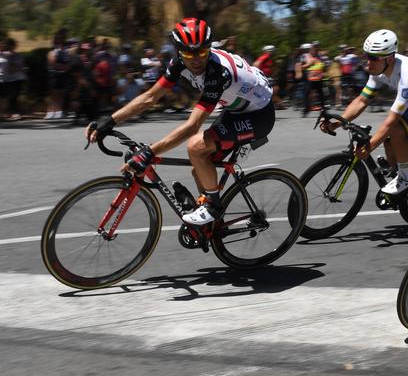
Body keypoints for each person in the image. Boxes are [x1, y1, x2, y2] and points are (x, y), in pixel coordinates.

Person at [86, 18, 275, 225]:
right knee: (200, 169)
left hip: (259, 114)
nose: (195, 60)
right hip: (236, 108)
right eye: (188, 54)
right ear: (179, 51)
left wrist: (150, 152)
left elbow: (193, 126)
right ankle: (214, 226)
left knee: (196, 147)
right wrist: (110, 120)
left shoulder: (217, 73)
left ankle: (214, 207)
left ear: (209, 48)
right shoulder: (178, 63)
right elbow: (150, 97)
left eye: (202, 52)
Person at [320, 29, 408, 195]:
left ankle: (405, 177)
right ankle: (395, 170)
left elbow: (391, 122)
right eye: (366, 56)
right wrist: (336, 123)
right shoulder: (378, 69)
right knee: (387, 139)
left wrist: (369, 147)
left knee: (397, 130)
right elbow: (361, 101)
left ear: (390, 57)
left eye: (373, 58)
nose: (368, 63)